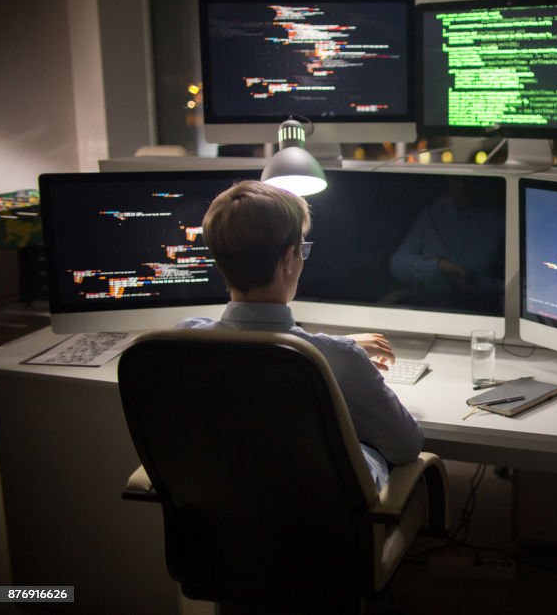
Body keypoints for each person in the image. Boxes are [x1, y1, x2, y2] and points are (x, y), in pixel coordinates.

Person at [179, 180, 423, 490]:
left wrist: (339, 346)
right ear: (286, 261)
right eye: (302, 250)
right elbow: (406, 446)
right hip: (324, 528)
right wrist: (343, 351)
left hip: (221, 521)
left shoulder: (184, 341)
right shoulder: (340, 359)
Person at [388, 177, 504, 312]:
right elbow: (397, 263)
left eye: (469, 181)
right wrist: (439, 265)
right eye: (457, 180)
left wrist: (479, 284)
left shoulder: (498, 221)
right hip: (428, 307)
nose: (463, 187)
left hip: (480, 309)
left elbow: (517, 284)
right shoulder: (432, 215)